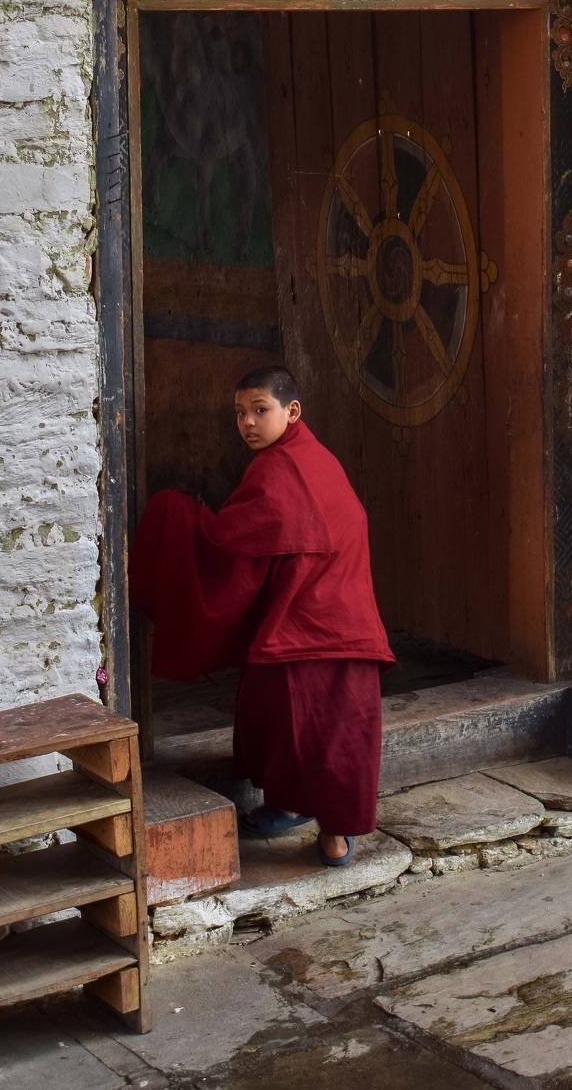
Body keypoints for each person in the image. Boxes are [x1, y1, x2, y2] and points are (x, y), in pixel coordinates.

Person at [129, 364, 394, 866]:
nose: (247, 423)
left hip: (320, 622)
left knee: (324, 730)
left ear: (292, 411)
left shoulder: (281, 469)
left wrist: (173, 515)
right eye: (239, 413)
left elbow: (227, 542)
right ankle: (291, 805)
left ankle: (333, 832)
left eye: (259, 410)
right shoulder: (314, 459)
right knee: (304, 722)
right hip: (339, 618)